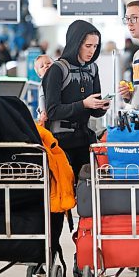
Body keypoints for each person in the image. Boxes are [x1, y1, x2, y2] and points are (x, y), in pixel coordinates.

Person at [42, 20, 109, 178]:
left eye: (95, 46)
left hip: (84, 140)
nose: (92, 51)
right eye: (88, 46)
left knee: (87, 190)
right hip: (61, 143)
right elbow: (52, 111)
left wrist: (101, 107)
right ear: (75, 43)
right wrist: (83, 104)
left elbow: (95, 112)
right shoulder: (57, 70)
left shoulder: (92, 68)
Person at [33, 54, 53, 126]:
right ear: (39, 75)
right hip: (45, 115)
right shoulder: (44, 82)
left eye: (48, 63)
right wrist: (43, 111)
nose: (46, 66)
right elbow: (42, 96)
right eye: (42, 66)